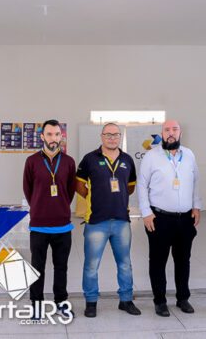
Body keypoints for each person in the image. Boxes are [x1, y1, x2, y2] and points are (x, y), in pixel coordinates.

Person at [76, 122, 141, 318]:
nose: (112, 138)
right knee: (91, 265)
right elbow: (79, 184)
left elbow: (130, 186)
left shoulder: (127, 159)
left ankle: (126, 300)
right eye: (108, 134)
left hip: (122, 221)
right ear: (102, 136)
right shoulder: (90, 159)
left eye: (115, 135)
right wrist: (94, 197)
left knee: (125, 263)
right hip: (96, 221)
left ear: (120, 137)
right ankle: (91, 302)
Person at [138, 120, 201, 317]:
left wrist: (196, 206)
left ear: (180, 133)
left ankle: (183, 298)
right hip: (160, 218)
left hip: (185, 219)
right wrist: (146, 212)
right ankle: (160, 301)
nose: (171, 133)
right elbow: (142, 185)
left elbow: (196, 181)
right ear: (162, 133)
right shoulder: (151, 156)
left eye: (174, 129)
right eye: (167, 130)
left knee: (183, 260)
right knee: (158, 261)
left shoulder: (189, 155)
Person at [23, 119, 77, 319]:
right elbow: (28, 189)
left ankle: (61, 302)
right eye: (49, 134)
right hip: (39, 225)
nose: (53, 138)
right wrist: (39, 207)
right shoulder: (32, 161)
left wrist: (60, 206)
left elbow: (70, 190)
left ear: (61, 136)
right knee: (37, 267)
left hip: (62, 225)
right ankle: (36, 304)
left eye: (57, 134)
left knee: (61, 267)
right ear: (42, 136)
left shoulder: (69, 162)